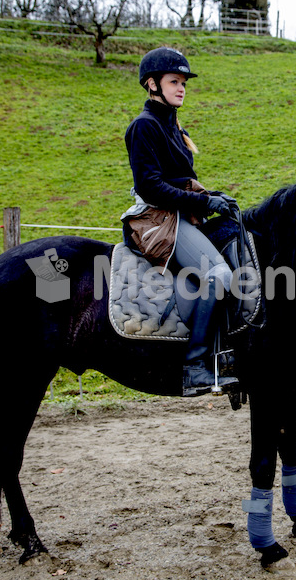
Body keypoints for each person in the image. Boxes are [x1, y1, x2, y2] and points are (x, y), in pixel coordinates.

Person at [121, 46, 239, 397]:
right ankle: (195, 366)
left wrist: (215, 198)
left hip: (181, 212)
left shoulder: (173, 124)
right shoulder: (144, 126)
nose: (182, 87)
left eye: (184, 82)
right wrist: (204, 201)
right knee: (218, 274)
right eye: (174, 81)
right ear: (152, 85)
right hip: (159, 218)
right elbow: (151, 186)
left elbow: (176, 178)